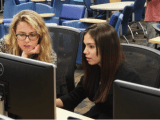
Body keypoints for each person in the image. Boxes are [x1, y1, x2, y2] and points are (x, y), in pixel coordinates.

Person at [56, 23, 141, 120]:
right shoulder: (95, 67)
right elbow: (74, 97)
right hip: (96, 115)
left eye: (91, 46)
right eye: (85, 45)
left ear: (107, 48)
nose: (84, 51)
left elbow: (132, 115)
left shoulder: (128, 77)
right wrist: (49, 102)